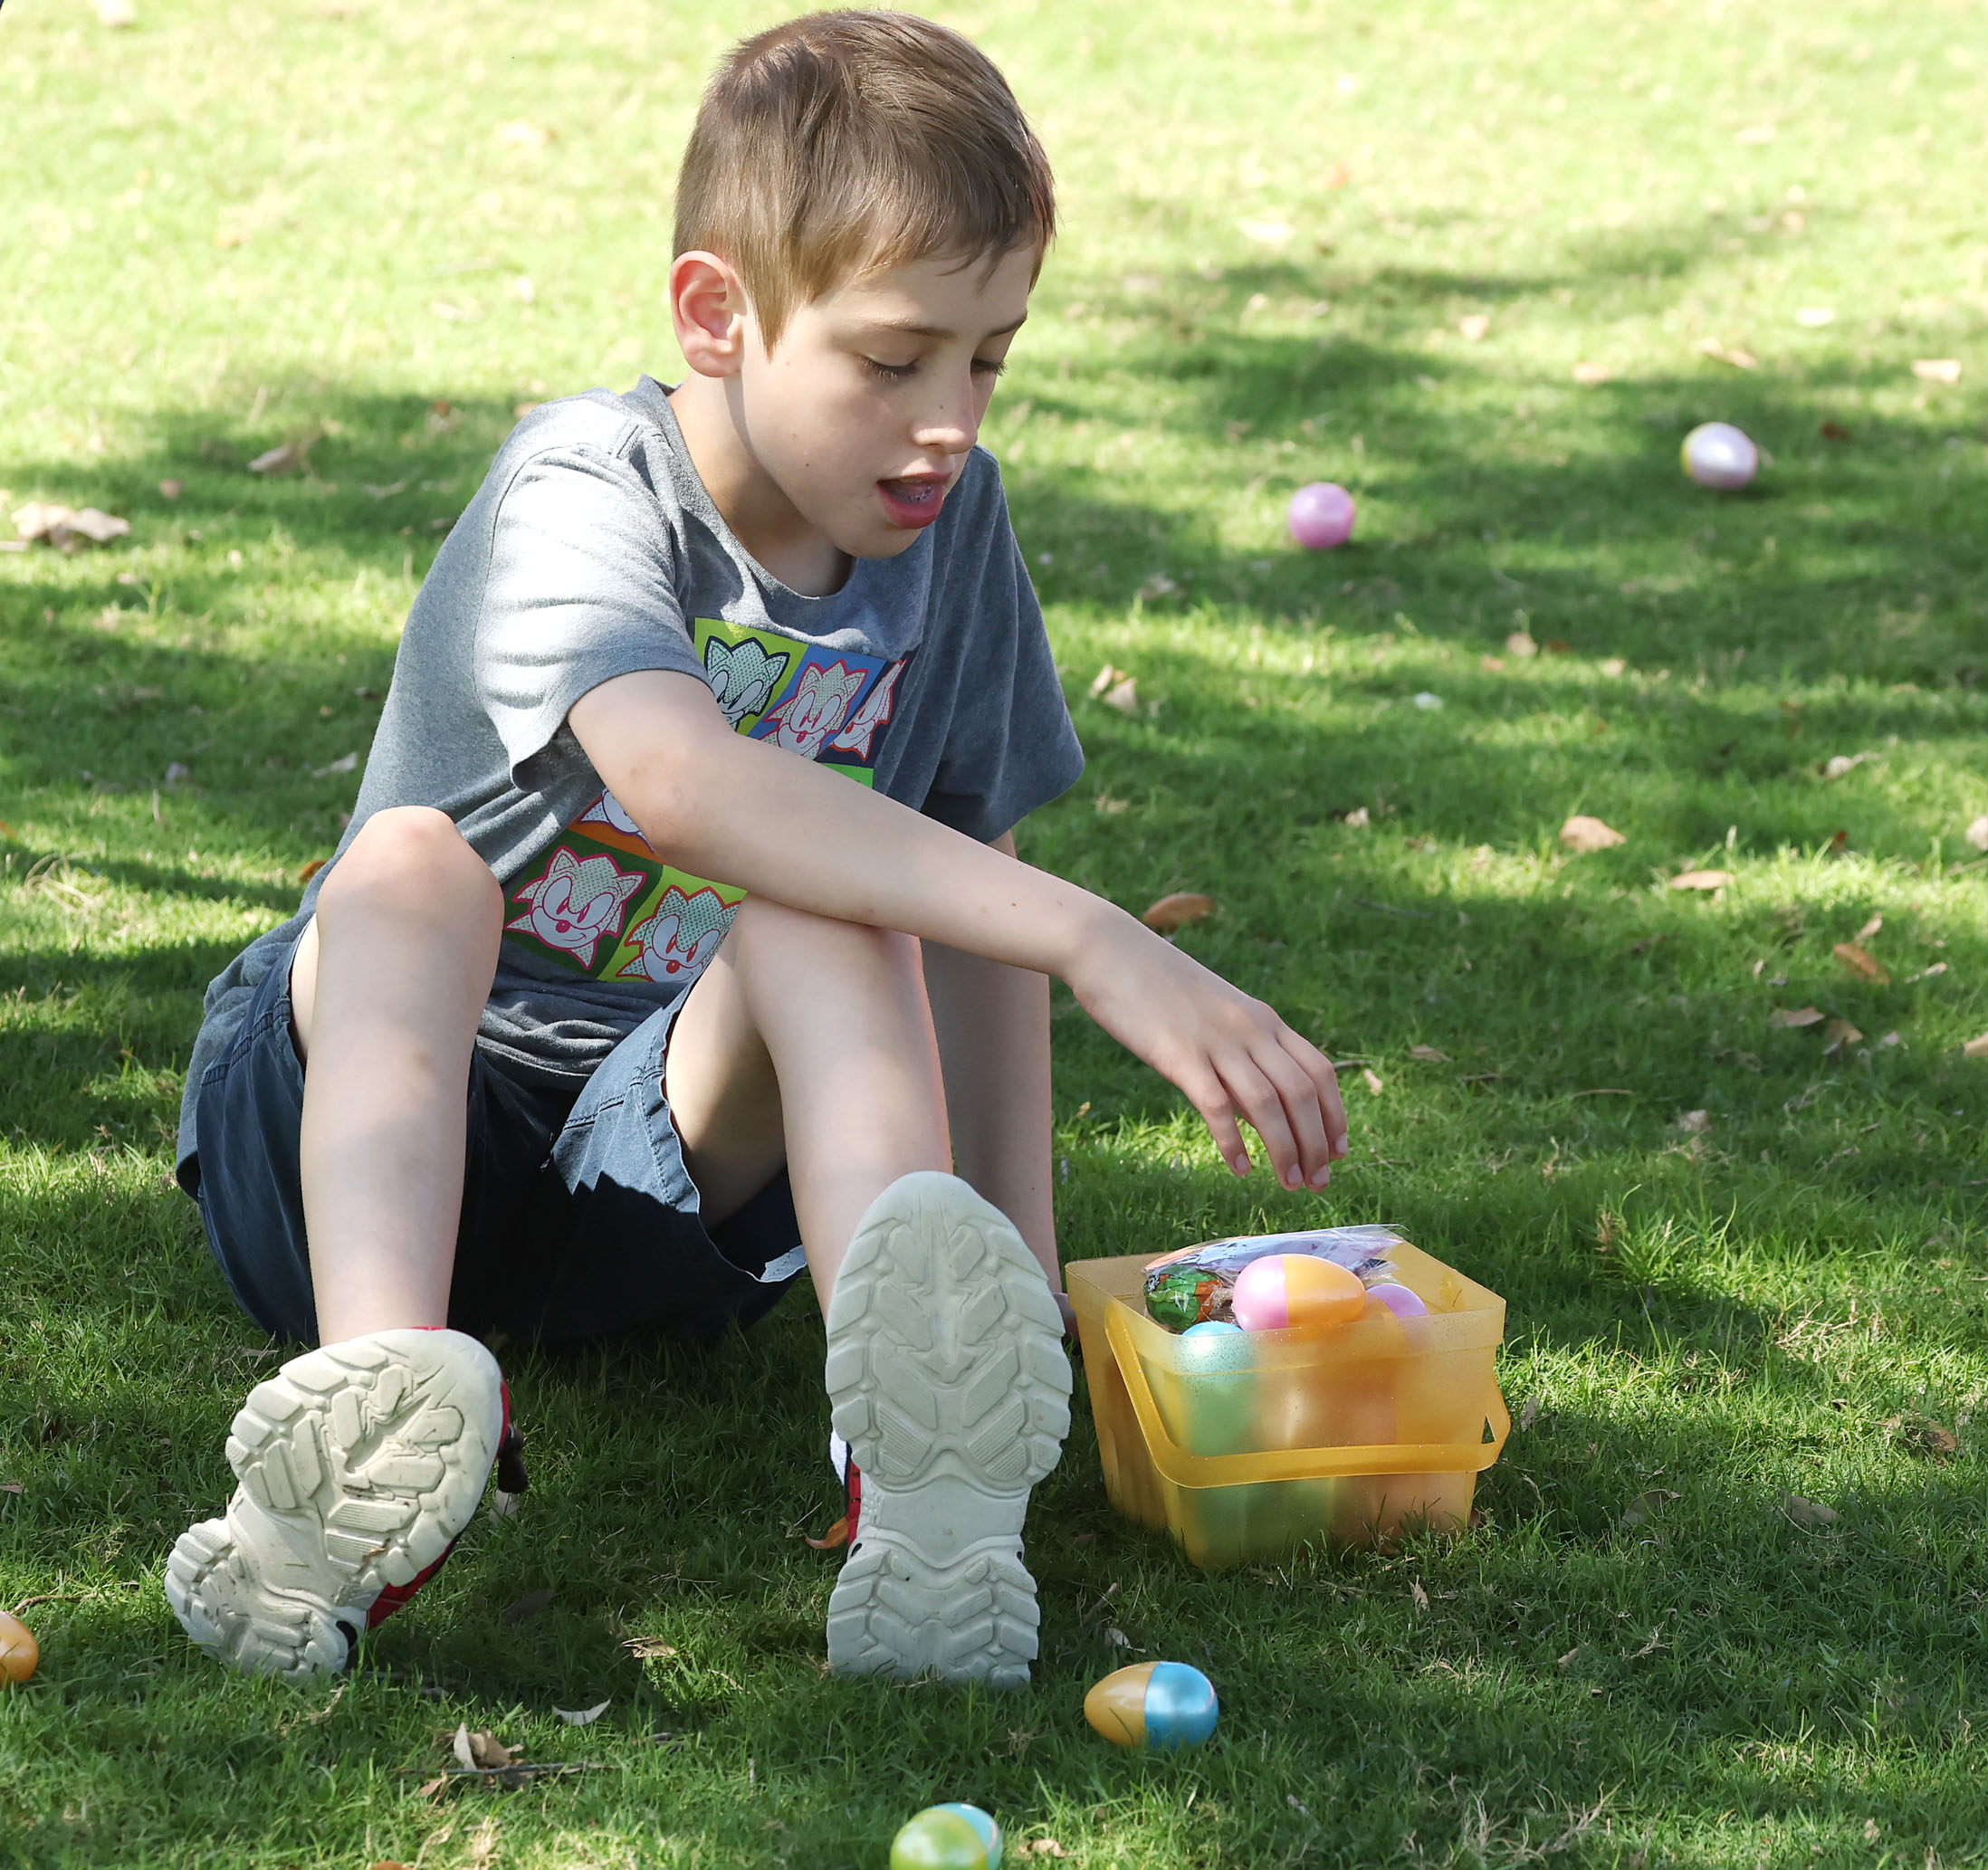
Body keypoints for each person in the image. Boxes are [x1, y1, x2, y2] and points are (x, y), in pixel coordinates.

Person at [162, 9, 1344, 1689]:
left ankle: (923, 1480)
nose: (949, 419)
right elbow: (676, 779)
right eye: (893, 358)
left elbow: (956, 883)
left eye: (990, 356)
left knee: (840, 905)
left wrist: (1022, 1290)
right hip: (351, 1138)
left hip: (650, 1181)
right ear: (717, 316)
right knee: (415, 868)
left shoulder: (955, 530)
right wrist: (1102, 931)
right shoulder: (588, 484)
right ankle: (376, 1412)